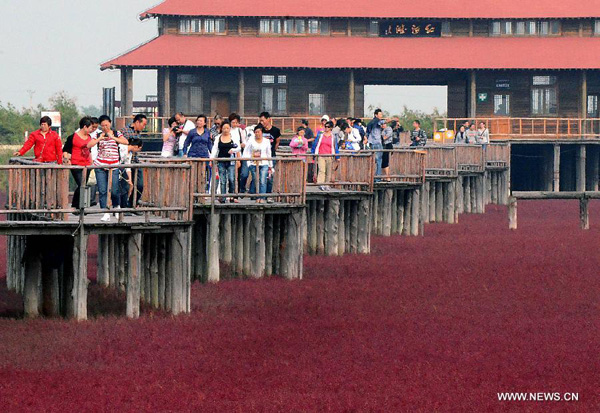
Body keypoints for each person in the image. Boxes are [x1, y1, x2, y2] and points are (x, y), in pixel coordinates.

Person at [87, 115, 129, 221]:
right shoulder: (97, 134)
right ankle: (105, 212)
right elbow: (89, 145)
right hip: (100, 165)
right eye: (103, 125)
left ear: (110, 123)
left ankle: (116, 206)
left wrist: (112, 137)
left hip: (114, 165)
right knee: (102, 190)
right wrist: (100, 138)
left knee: (114, 189)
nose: (105, 127)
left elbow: (125, 142)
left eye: (106, 125)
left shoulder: (116, 133)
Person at [120, 114, 147, 207]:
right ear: (137, 122)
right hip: (125, 161)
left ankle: (132, 204)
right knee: (126, 185)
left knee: (140, 185)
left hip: (135, 160)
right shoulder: (124, 131)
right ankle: (123, 206)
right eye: (143, 124)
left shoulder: (138, 133)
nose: (144, 127)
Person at [67, 117, 94, 209]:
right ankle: (79, 205)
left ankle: (78, 205)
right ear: (85, 127)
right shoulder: (73, 137)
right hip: (76, 164)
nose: (91, 130)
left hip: (87, 164)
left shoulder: (90, 137)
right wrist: (67, 159)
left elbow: (89, 150)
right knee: (81, 184)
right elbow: (66, 150)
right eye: (90, 128)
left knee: (83, 184)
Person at [210, 122, 241, 203]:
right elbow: (215, 149)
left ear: (229, 129)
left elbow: (239, 147)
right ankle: (223, 197)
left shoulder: (233, 137)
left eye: (227, 128)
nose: (226, 130)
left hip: (231, 160)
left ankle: (232, 196)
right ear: (221, 129)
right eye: (224, 128)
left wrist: (233, 150)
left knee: (231, 179)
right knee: (223, 180)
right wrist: (212, 159)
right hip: (221, 160)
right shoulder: (218, 137)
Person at [245, 125, 273, 202]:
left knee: (263, 180)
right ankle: (257, 196)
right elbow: (246, 151)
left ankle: (262, 197)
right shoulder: (251, 140)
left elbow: (268, 153)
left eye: (259, 132)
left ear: (262, 132)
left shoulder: (266, 141)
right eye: (256, 132)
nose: (257, 134)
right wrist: (248, 162)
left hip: (264, 162)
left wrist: (270, 165)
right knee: (255, 179)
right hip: (253, 163)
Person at [259, 112, 281, 193]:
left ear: (268, 119)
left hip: (271, 156)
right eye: (260, 121)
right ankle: (259, 194)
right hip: (260, 156)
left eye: (263, 120)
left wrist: (273, 150)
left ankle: (268, 194)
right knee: (259, 176)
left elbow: (277, 142)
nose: (261, 122)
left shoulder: (276, 130)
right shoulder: (260, 129)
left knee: (269, 176)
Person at [312, 120, 339, 184]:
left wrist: (337, 157)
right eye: (325, 126)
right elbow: (315, 145)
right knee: (322, 170)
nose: (326, 128)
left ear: (331, 128)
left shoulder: (333, 137)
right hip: (321, 155)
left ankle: (327, 184)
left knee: (328, 171)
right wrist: (313, 154)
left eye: (328, 127)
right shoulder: (320, 135)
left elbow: (335, 147)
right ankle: (320, 184)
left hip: (330, 156)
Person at [229, 113, 249, 194]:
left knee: (243, 173)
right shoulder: (228, 130)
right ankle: (233, 191)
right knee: (233, 174)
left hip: (240, 153)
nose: (234, 124)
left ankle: (241, 188)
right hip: (231, 153)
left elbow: (244, 141)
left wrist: (240, 145)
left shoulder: (241, 130)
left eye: (236, 122)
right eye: (233, 122)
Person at [366, 109, 384, 177]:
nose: (381, 116)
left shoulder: (370, 123)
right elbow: (383, 122)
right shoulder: (377, 121)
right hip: (377, 143)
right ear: (376, 115)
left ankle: (371, 176)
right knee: (379, 160)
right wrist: (391, 120)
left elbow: (367, 133)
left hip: (372, 143)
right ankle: (378, 176)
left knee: (373, 160)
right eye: (380, 114)